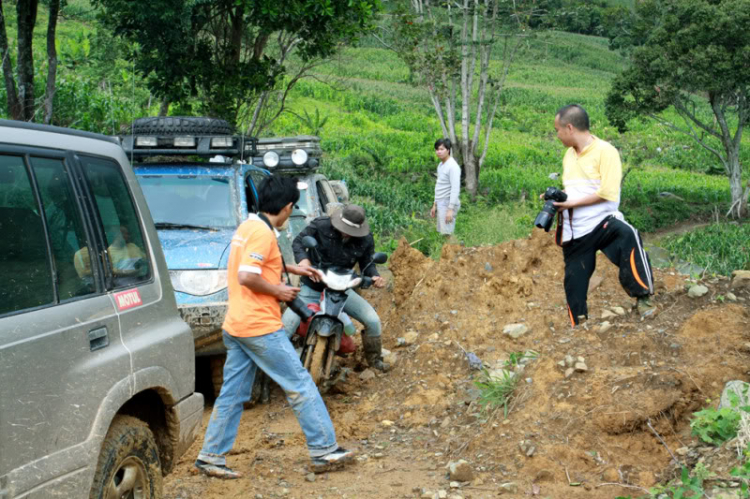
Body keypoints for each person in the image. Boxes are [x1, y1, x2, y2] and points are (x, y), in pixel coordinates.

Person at [194, 176, 354, 479]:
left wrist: (292, 268)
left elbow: (255, 264)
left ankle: (211, 455)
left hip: (237, 324)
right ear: (287, 206)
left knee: (232, 393)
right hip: (258, 326)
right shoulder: (263, 235)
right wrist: (279, 292)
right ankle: (324, 450)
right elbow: (246, 275)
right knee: (300, 383)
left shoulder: (248, 226)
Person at [550, 104, 655, 327]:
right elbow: (575, 190)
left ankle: (643, 299)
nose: (556, 135)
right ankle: (579, 325)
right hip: (576, 229)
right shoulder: (569, 155)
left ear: (569, 128)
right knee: (574, 281)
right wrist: (558, 199)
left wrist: (570, 202)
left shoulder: (606, 152)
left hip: (603, 222)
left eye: (557, 130)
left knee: (628, 235)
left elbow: (607, 192)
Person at [281, 204, 390, 372]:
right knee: (286, 326)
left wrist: (374, 276)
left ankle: (374, 361)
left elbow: (367, 263)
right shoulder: (321, 225)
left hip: (342, 290)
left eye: (351, 231)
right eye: (344, 228)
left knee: (373, 320)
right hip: (313, 287)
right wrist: (304, 262)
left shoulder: (366, 239)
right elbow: (298, 243)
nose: (346, 233)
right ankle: (269, 373)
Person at [430, 138, 461, 236]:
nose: (438, 152)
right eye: (437, 149)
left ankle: (456, 250)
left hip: (448, 202)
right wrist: (435, 204)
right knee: (443, 233)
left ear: (448, 150)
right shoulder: (440, 165)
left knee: (447, 233)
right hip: (441, 201)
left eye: (441, 149)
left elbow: (455, 188)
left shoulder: (453, 166)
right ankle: (449, 250)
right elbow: (439, 185)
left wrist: (450, 209)